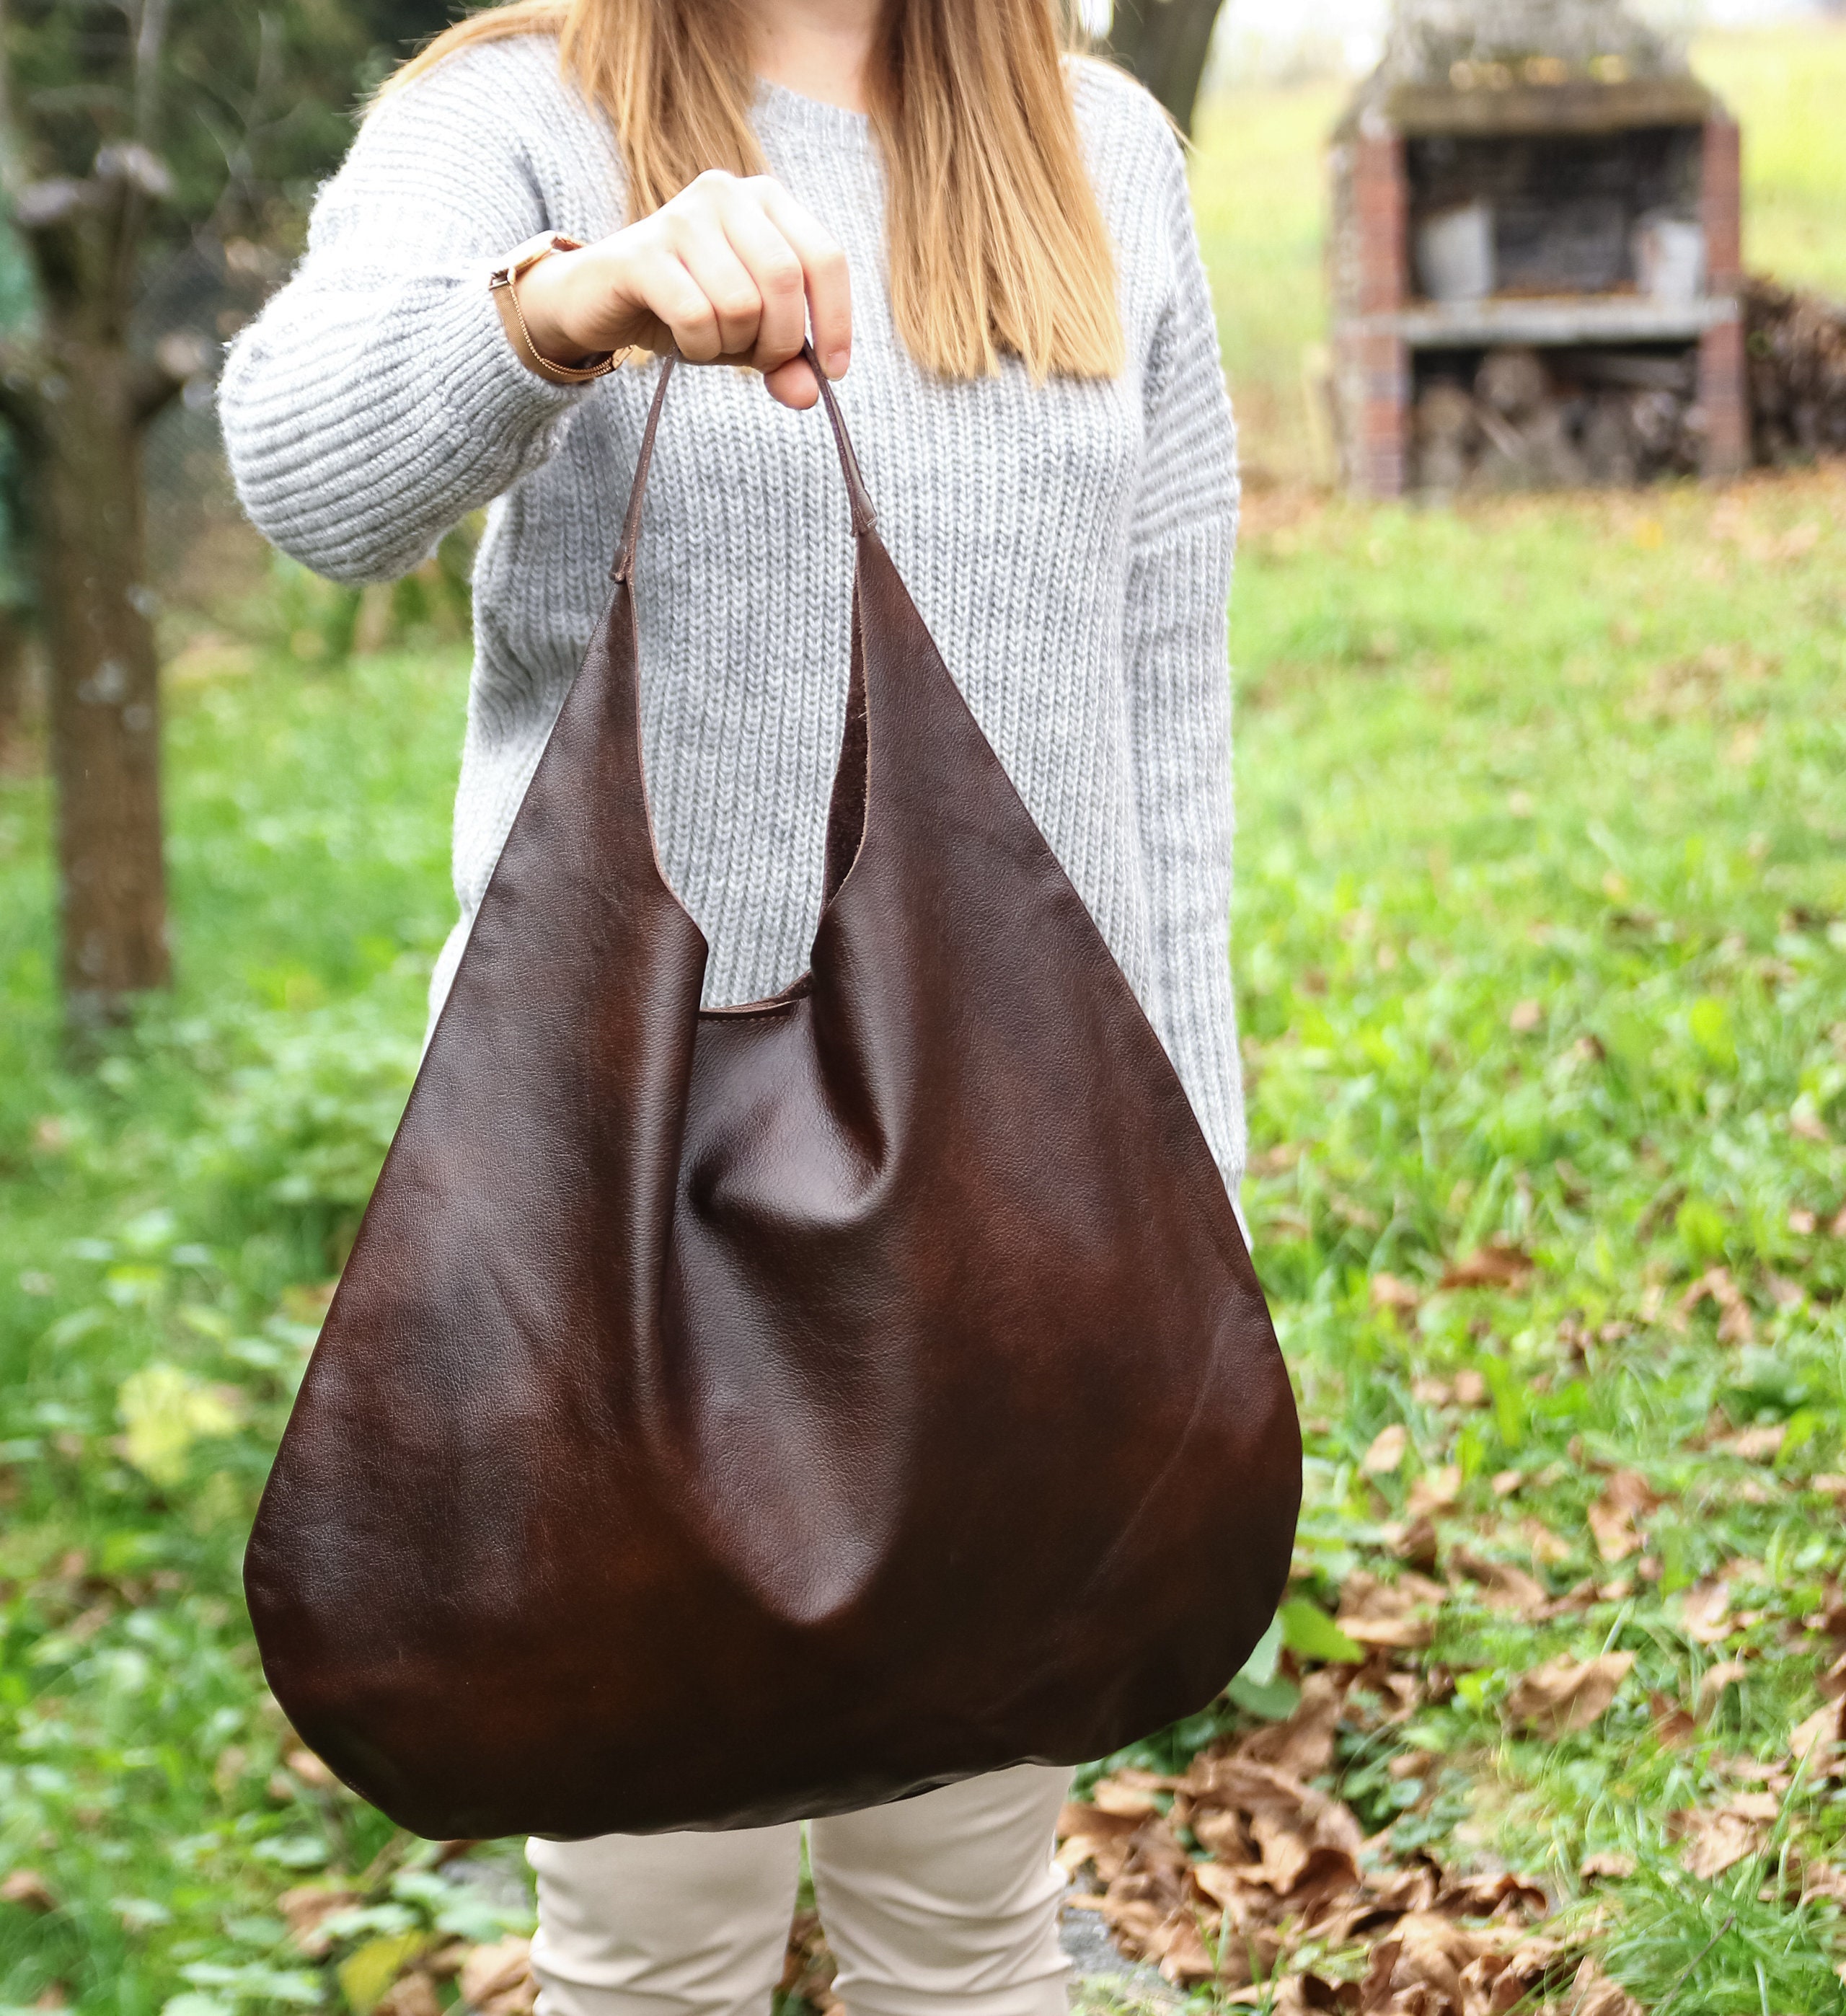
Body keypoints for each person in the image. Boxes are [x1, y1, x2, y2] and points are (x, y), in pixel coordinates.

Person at [219, 0, 1242, 2009]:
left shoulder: (1104, 150)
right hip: (608, 1198)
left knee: (970, 1926)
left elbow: (1162, 700)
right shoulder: (515, 114)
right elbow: (302, 472)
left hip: (1010, 1200)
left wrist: (1186, 1185)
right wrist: (566, 305)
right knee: (652, 1939)